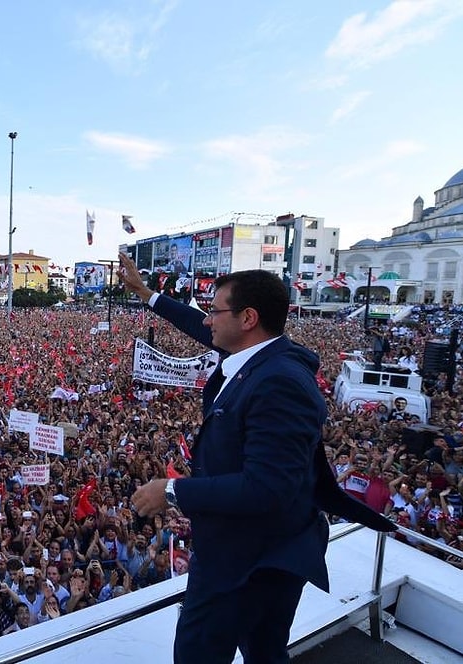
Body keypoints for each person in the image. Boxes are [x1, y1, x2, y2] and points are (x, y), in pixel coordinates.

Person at [119, 255, 393, 664]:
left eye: (214, 310)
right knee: (265, 654)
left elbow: (267, 487)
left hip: (245, 562)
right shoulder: (267, 357)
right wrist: (148, 295)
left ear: (248, 318)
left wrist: (172, 490)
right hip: (270, 550)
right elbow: (201, 326)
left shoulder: (280, 382)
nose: (207, 321)